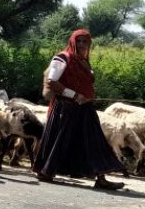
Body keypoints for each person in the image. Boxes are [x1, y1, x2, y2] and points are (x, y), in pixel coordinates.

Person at [34, 29, 125, 190]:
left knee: (94, 141)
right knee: (60, 141)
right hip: (66, 108)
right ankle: (46, 171)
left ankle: (101, 177)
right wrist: (75, 95)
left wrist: (85, 97)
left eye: (85, 41)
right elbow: (53, 82)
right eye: (79, 41)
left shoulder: (84, 61)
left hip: (85, 109)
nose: (82, 44)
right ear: (72, 42)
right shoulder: (62, 58)